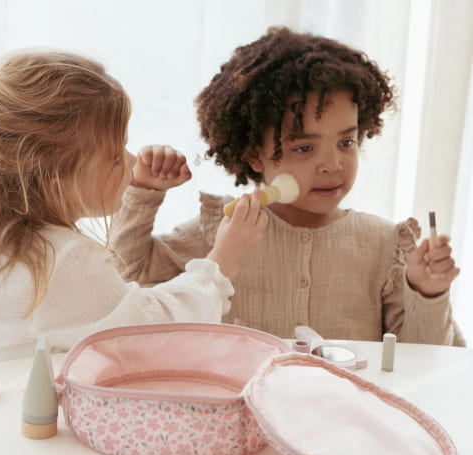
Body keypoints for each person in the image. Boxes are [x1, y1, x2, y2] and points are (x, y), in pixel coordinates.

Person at [0, 50, 268, 381]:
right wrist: (222, 263)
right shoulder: (58, 260)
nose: (132, 161)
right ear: (55, 178)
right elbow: (155, 331)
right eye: (114, 157)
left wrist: (141, 188)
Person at [110, 26, 465, 346]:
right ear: (254, 154)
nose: (332, 165)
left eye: (346, 142)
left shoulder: (384, 245)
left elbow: (423, 358)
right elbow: (127, 278)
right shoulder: (224, 232)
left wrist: (427, 292)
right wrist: (143, 191)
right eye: (305, 148)